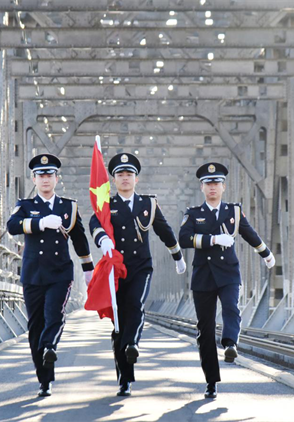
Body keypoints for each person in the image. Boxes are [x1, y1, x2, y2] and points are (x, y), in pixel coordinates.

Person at [89, 152, 187, 397]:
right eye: (120, 175)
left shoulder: (148, 204)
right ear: (113, 180)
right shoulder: (107, 205)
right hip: (116, 270)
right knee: (119, 323)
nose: (125, 178)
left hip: (141, 267)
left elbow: (165, 231)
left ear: (136, 179)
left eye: (129, 174)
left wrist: (178, 257)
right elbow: (93, 222)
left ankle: (133, 344)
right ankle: (124, 378)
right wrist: (101, 238)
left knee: (136, 305)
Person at [178, 162, 275, 399]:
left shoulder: (233, 211)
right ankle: (211, 381)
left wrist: (266, 253)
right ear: (202, 187)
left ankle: (230, 343)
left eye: (216, 183)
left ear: (223, 186)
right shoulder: (193, 214)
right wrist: (212, 240)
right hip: (203, 277)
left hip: (229, 273)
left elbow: (249, 233)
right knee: (205, 330)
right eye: (208, 183)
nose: (213, 187)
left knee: (232, 307)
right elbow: (184, 239)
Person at [7, 153, 94, 397]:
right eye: (40, 175)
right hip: (33, 273)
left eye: (49, 175)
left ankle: (49, 346)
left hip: (60, 272)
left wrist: (88, 270)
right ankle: (44, 379)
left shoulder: (69, 207)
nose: (45, 179)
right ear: (34, 179)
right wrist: (40, 223)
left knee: (54, 314)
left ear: (57, 178)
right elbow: (12, 226)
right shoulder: (26, 206)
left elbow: (79, 239)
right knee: (35, 325)